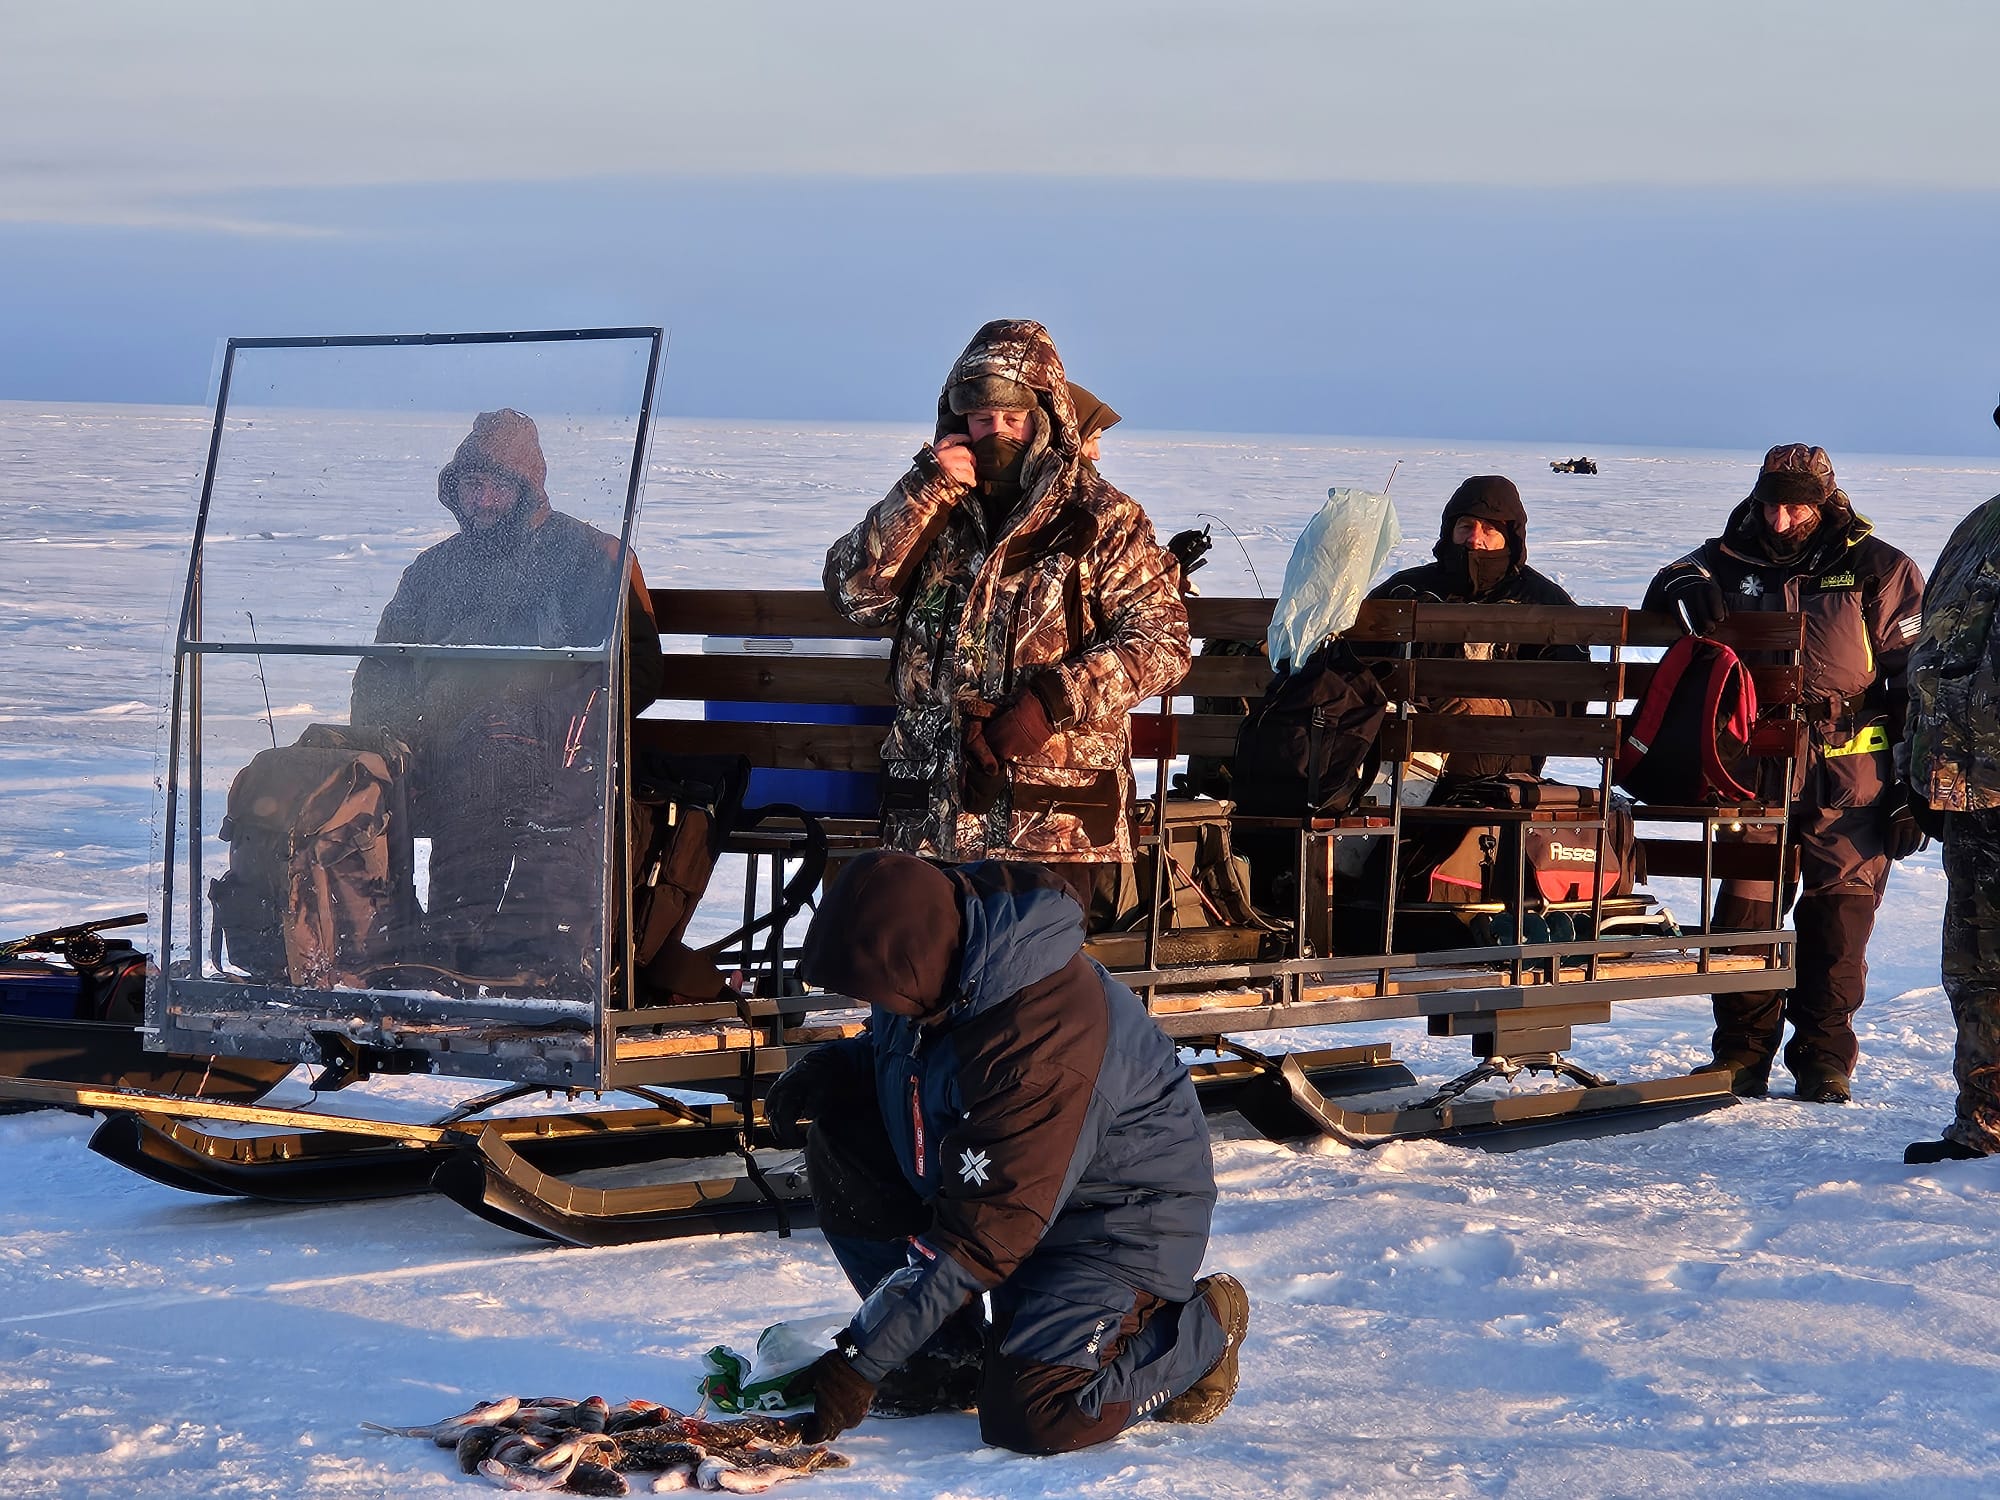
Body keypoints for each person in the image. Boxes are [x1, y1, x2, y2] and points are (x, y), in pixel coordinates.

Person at [764, 851, 1249, 1453]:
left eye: (876, 993)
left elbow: (979, 1237)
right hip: (1014, 1201)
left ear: (912, 965)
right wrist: (832, 1069)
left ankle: (1204, 1332)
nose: (874, 1008)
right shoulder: (945, 967)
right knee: (844, 1129)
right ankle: (949, 1353)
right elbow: (906, 1052)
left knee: (1035, 1416)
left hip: (1115, 1226)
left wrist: (863, 1360)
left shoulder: (1041, 1043)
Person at [822, 321, 1190, 924]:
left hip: (1052, 815)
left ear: (1043, 415)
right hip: (931, 810)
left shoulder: (1102, 517)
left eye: (1011, 419)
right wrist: (922, 491)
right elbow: (853, 597)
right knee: (916, 988)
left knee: (1027, 994)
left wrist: (1049, 702)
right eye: (981, 419)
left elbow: (1162, 642)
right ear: (956, 422)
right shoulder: (932, 510)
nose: (996, 434)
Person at [1644, 443, 1926, 1103]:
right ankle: (1741, 1056)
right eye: (1771, 503)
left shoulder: (1877, 567)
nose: (1779, 520)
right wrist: (1675, 583)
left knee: (1838, 922)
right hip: (1750, 770)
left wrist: (1912, 786)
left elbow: (1918, 682)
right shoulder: (1725, 556)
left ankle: (1824, 1060)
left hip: (1849, 775)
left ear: (1824, 501)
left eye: (1796, 505)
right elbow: (1670, 578)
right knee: (1745, 917)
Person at [350, 408, 664, 974]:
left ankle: (512, 961)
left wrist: (549, 724)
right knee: (327, 779)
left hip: (557, 759)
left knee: (494, 762)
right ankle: (380, 949)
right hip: (442, 754)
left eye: (495, 484)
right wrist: (391, 741)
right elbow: (382, 670)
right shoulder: (434, 570)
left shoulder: (592, 558)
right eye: (471, 485)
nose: (482, 499)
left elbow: (636, 673)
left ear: (527, 486)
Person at [1902, 445, 2000, 1161]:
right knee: (1976, 967)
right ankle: (1986, 1121)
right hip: (1970, 792)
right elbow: (1930, 655)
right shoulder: (1979, 528)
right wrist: (1921, 773)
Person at [1363, 475, 1586, 783]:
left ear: (1511, 537)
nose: (1474, 538)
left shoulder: (1544, 602)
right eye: (1466, 526)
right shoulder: (1407, 589)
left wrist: (1498, 707)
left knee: (1468, 759)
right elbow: (1355, 661)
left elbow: (1569, 697)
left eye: (1490, 529)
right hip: (1402, 738)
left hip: (1500, 746)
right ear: (1450, 531)